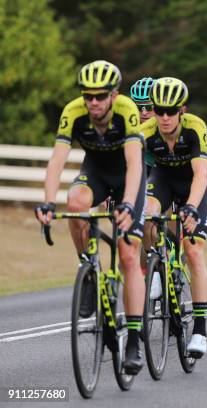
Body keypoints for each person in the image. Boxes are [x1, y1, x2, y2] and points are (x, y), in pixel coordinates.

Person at [35, 60, 146, 374]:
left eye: (99, 96)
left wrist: (126, 204)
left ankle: (135, 340)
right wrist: (46, 202)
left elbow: (136, 164)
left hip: (128, 178)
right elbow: (57, 160)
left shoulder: (127, 111)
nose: (93, 102)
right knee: (74, 201)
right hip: (95, 173)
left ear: (113, 94)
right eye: (88, 96)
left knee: (127, 255)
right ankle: (87, 266)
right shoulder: (73, 111)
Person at [142, 77, 207, 357]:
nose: (165, 117)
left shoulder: (195, 128)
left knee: (193, 250)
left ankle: (200, 331)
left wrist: (192, 207)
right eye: (159, 110)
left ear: (181, 109)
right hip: (163, 181)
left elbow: (201, 175)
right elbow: (134, 172)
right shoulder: (145, 130)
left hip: (193, 185)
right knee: (146, 215)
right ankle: (154, 263)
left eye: (171, 111)